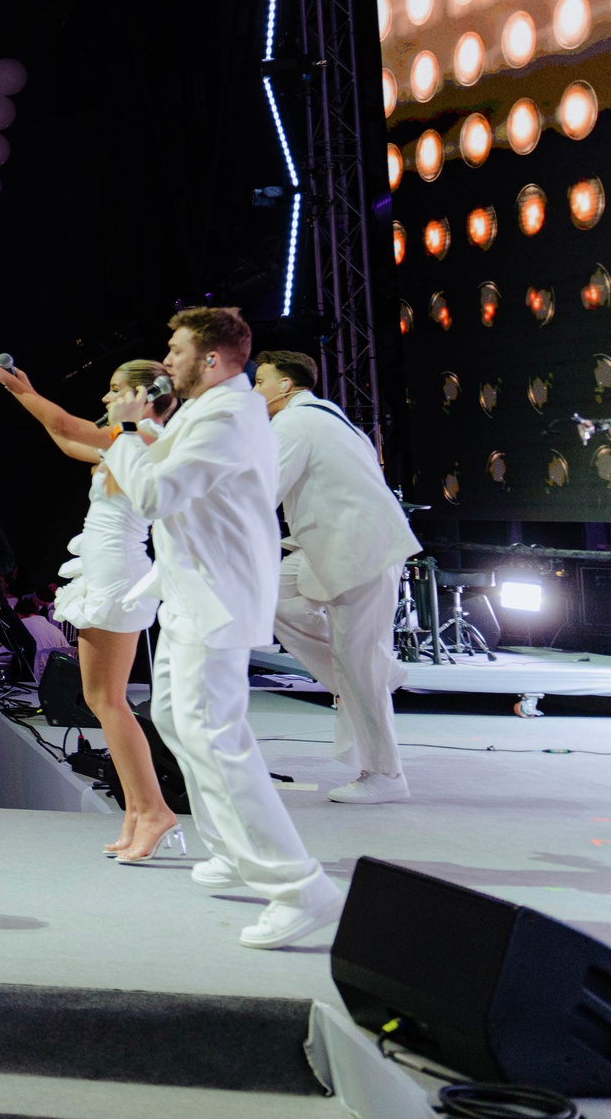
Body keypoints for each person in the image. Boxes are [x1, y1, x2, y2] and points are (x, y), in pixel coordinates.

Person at [103, 306, 342, 949]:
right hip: (195, 591)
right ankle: (234, 850)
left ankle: (298, 886)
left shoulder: (229, 415)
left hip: (216, 597)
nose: (168, 358)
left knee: (215, 734)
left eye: (176, 348)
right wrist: (146, 434)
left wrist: (128, 432)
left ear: (210, 358)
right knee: (180, 720)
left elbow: (155, 496)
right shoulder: (214, 412)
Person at [0, 342, 180, 858]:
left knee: (108, 701)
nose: (106, 397)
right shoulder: (128, 440)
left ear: (142, 395)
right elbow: (67, 441)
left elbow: (68, 427)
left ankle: (153, 809)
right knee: (101, 699)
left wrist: (12, 387)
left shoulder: (143, 435)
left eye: (115, 389)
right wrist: (20, 388)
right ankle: (139, 809)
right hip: (109, 567)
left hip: (116, 571)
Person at [254, 349, 417, 805]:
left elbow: (261, 492)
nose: (254, 389)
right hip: (333, 547)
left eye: (260, 380)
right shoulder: (329, 417)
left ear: (286, 384)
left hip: (359, 552)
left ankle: (386, 773)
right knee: (272, 599)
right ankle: (377, 673)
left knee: (358, 661)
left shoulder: (295, 423)